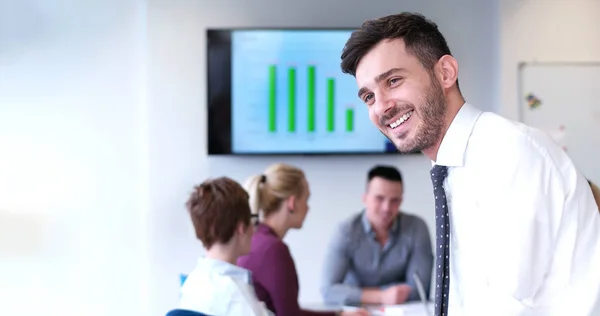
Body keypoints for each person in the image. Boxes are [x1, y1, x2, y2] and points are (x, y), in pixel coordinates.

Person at [340, 12, 600, 316]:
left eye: (394, 80)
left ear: (446, 72)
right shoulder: (454, 168)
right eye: (369, 97)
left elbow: (507, 305)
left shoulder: (506, 151)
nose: (381, 106)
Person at [237, 163, 369, 316]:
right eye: (306, 200)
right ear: (292, 203)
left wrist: (338, 315)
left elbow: (288, 311)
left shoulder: (256, 238)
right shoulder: (273, 249)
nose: (308, 208)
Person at [321, 165, 433, 306]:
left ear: (401, 201)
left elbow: (419, 291)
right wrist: (382, 296)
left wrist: (356, 293)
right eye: (379, 198)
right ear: (365, 198)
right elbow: (329, 291)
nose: (386, 208)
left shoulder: (416, 228)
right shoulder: (346, 231)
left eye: (394, 200)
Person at [178, 177, 273, 316]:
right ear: (241, 228)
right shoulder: (235, 296)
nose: (254, 230)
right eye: (251, 222)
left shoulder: (191, 284)